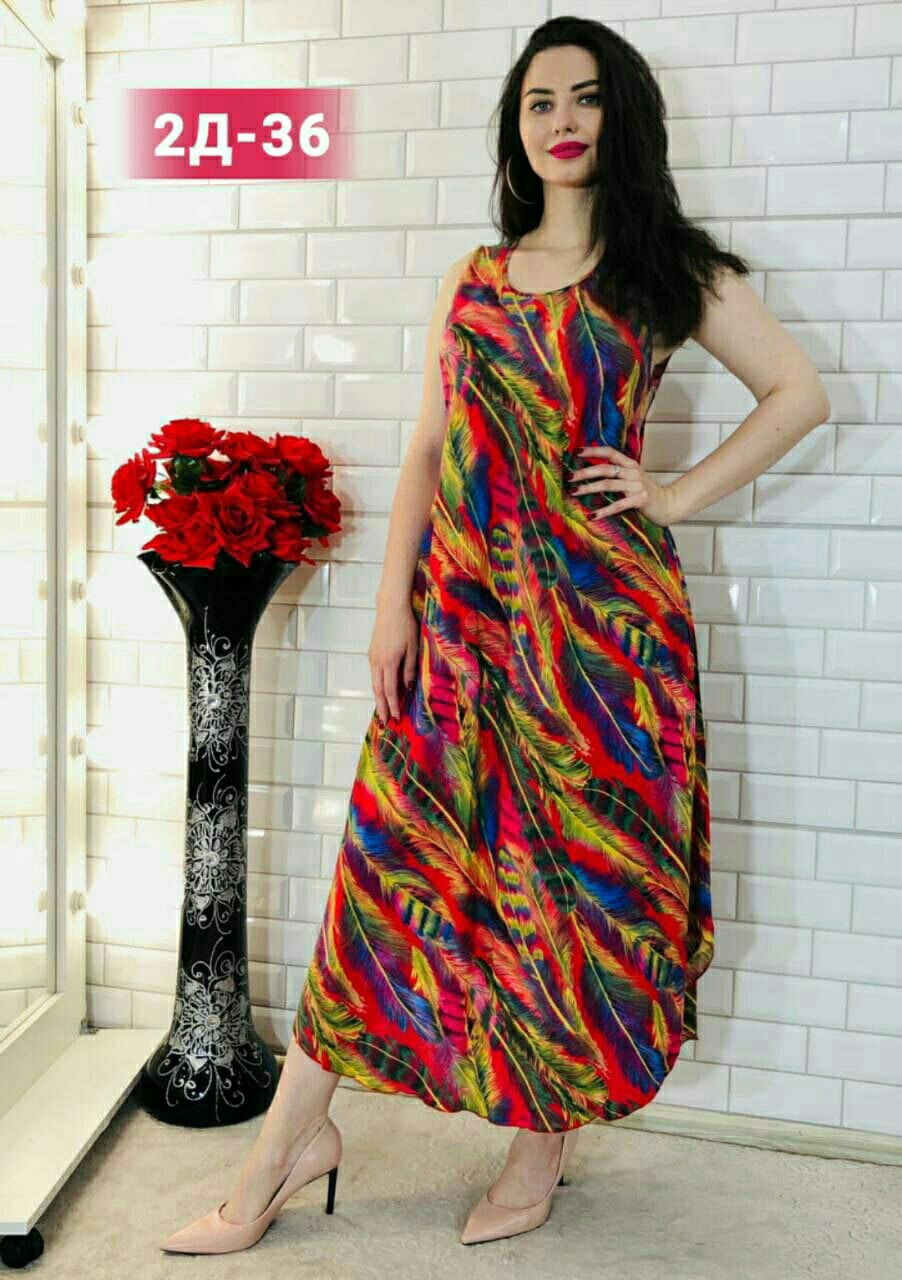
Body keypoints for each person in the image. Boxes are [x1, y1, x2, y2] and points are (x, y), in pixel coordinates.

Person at [160, 15, 831, 1256]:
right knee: (386, 867)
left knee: (574, 885)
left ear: (621, 115)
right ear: (515, 128)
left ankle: (539, 1139)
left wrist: (671, 493)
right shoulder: (474, 276)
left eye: (584, 97)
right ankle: (289, 1142)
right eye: (537, 102)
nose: (560, 120)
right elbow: (428, 446)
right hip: (462, 625)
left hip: (601, 639)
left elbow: (798, 390)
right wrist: (390, 608)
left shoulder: (665, 269)